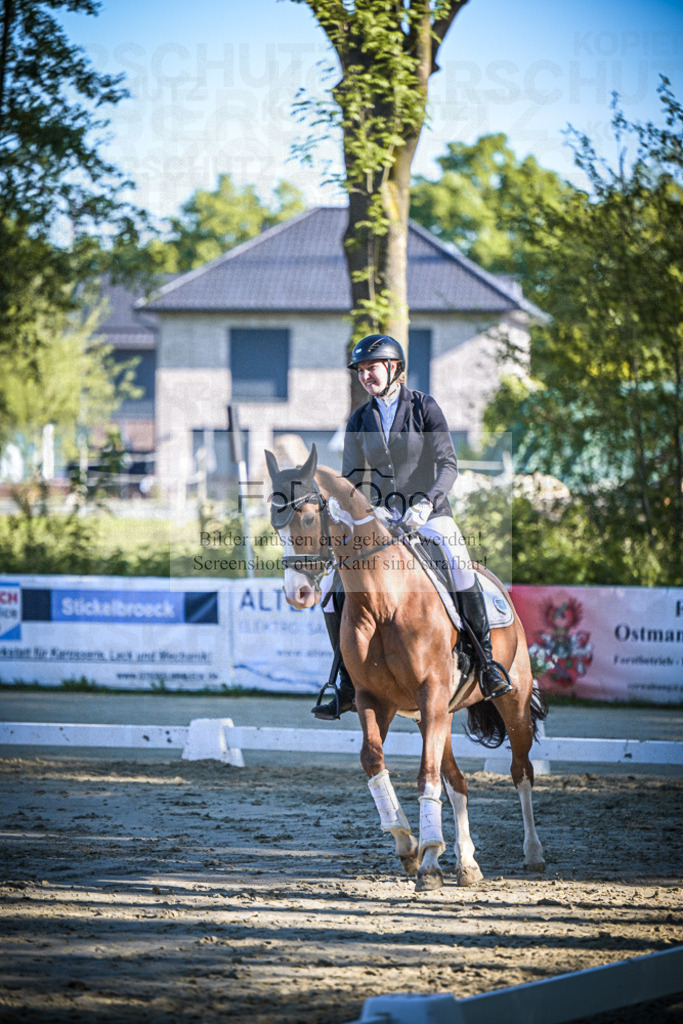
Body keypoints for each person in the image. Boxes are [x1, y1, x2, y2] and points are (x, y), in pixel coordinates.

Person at [312, 333, 513, 721]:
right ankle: (345, 682)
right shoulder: (360, 419)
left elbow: (448, 465)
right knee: (329, 585)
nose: (365, 376)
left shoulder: (423, 407)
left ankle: (487, 664)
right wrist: (360, 510)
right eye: (361, 371)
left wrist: (424, 505)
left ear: (393, 369)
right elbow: (353, 478)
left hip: (431, 513)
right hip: (384, 519)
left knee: (458, 564)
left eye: (372, 368)